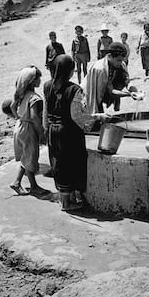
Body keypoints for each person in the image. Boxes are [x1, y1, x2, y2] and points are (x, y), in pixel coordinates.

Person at [43, 55, 108, 211]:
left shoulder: (47, 86)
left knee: (59, 163)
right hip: (69, 132)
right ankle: (67, 203)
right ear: (70, 71)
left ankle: (66, 198)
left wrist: (46, 129)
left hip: (53, 130)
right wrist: (96, 117)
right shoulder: (74, 89)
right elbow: (76, 116)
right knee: (72, 163)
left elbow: (45, 112)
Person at [8, 66, 46, 197]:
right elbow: (35, 117)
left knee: (26, 156)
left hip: (20, 126)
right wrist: (41, 132)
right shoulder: (35, 98)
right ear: (33, 81)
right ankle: (27, 184)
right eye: (38, 78)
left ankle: (19, 182)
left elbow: (12, 107)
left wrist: (19, 117)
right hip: (29, 129)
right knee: (31, 157)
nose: (40, 80)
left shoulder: (21, 95)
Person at [84, 42, 140, 117]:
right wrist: (129, 94)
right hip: (89, 96)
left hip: (103, 93)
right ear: (110, 56)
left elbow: (127, 80)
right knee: (95, 117)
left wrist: (136, 91)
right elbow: (110, 91)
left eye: (122, 60)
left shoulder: (121, 64)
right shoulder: (101, 69)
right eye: (118, 60)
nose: (120, 62)